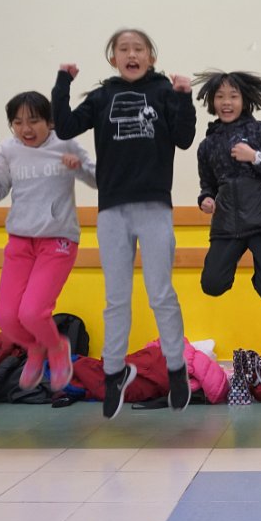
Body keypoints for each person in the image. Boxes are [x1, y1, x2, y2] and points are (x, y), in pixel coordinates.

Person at [51, 28, 196, 419]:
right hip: (112, 209)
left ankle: (176, 367)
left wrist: (184, 97)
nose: (132, 55)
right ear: (113, 58)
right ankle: (114, 371)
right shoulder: (102, 97)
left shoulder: (163, 92)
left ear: (151, 57)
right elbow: (64, 127)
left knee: (160, 293)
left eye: (139, 49)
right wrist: (63, 82)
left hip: (154, 207)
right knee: (116, 298)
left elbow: (184, 138)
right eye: (124, 49)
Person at [0, 91, 97, 392]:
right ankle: (35, 347)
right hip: (20, 241)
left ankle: (57, 347)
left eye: (33, 121)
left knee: (32, 312)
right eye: (17, 123)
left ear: (50, 122)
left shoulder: (65, 143)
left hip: (58, 240)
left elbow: (98, 180)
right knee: (4, 316)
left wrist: (78, 168)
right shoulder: (9, 150)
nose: (25, 129)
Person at [194, 70, 261, 302]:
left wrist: (255, 157)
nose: (226, 102)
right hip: (227, 225)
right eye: (220, 96)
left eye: (233, 96)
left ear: (244, 100)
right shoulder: (207, 145)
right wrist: (206, 198)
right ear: (212, 101)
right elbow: (208, 183)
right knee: (212, 284)